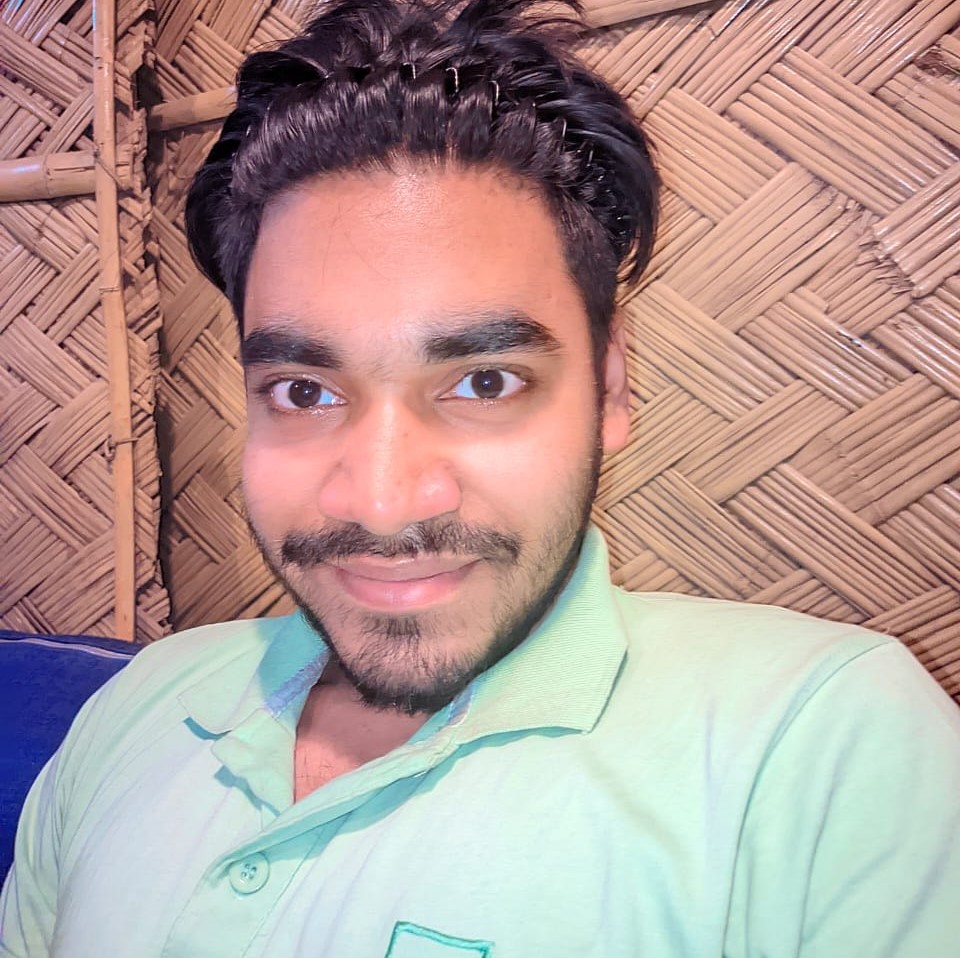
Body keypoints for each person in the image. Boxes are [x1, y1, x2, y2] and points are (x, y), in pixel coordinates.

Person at [3, 0, 959, 954]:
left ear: (608, 387)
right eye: (304, 391)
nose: (382, 503)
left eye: (484, 382)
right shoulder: (139, 704)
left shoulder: (819, 748)